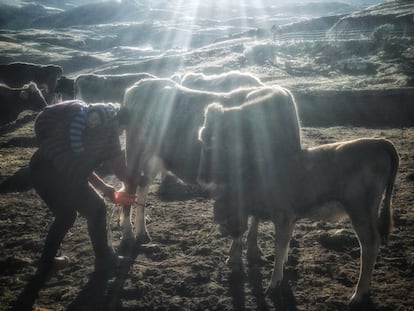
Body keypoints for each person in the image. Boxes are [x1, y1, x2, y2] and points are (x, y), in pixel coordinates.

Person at [13, 100, 135, 310]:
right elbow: (118, 170)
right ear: (119, 123)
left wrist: (104, 187)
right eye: (124, 129)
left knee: (65, 216)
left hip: (40, 168)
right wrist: (136, 184)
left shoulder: (89, 128)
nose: (123, 133)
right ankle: (104, 259)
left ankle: (46, 264)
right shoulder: (108, 135)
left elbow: (77, 163)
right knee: (96, 209)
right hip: (56, 173)